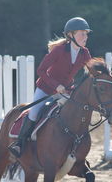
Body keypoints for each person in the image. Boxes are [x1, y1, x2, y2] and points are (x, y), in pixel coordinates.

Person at [9, 17, 92, 158]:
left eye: (86, 34)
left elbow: (91, 70)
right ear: (71, 35)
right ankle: (19, 144)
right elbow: (41, 71)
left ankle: (73, 145)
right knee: (34, 113)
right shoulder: (59, 50)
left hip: (66, 90)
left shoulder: (85, 53)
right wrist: (56, 85)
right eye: (82, 33)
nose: (85, 37)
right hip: (46, 89)